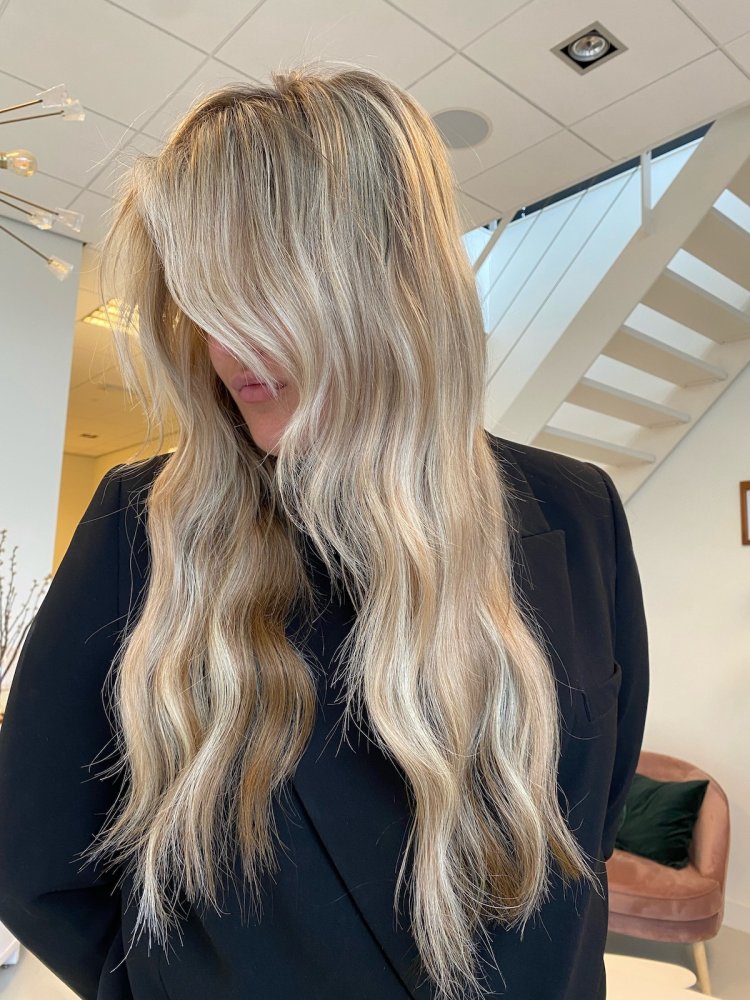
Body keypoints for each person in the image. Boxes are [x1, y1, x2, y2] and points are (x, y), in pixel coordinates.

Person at [0, 62, 649, 1000]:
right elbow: (37, 858)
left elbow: (592, 823)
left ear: (392, 283)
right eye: (205, 295)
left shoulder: (576, 510)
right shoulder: (146, 527)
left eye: (264, 289)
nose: (229, 347)